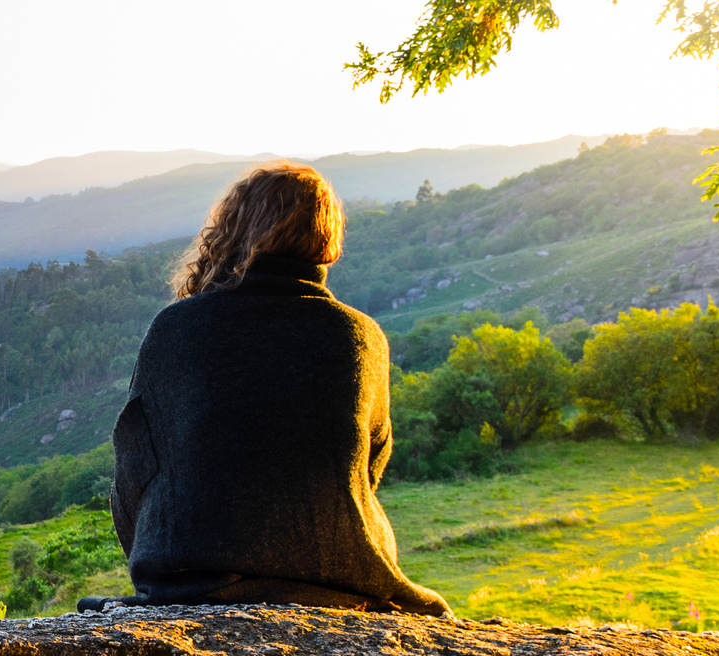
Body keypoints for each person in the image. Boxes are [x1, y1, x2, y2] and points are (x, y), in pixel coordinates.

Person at [78, 162, 450, 616]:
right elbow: (367, 470)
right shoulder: (363, 337)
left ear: (232, 229)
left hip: (192, 583)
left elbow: (134, 467)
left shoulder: (177, 328)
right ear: (326, 242)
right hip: (344, 580)